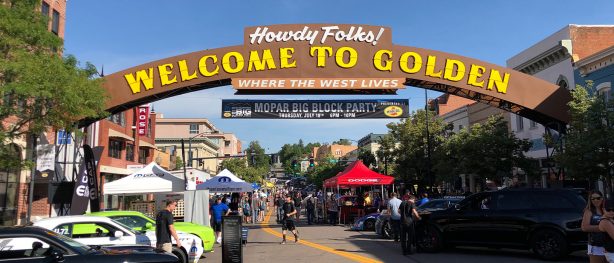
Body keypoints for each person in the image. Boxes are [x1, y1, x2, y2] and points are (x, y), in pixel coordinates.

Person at [583, 191, 607, 263]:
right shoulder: (589, 211)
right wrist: (603, 228)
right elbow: (584, 227)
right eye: (593, 199)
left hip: (609, 245)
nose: (595, 200)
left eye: (598, 198)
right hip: (596, 246)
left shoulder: (607, 210)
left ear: (602, 198)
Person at [597, 198, 614, 262]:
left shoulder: (610, 219)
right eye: (608, 210)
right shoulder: (605, 222)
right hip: (612, 254)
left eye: (613, 210)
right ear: (603, 209)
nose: (611, 212)